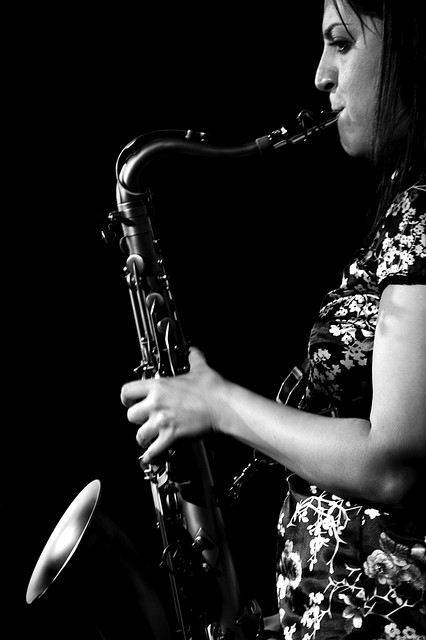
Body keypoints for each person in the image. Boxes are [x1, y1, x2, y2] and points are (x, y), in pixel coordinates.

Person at [121, 1, 426, 638]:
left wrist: (219, 404)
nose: (321, 75)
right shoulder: (404, 210)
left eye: (341, 42)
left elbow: (391, 462)